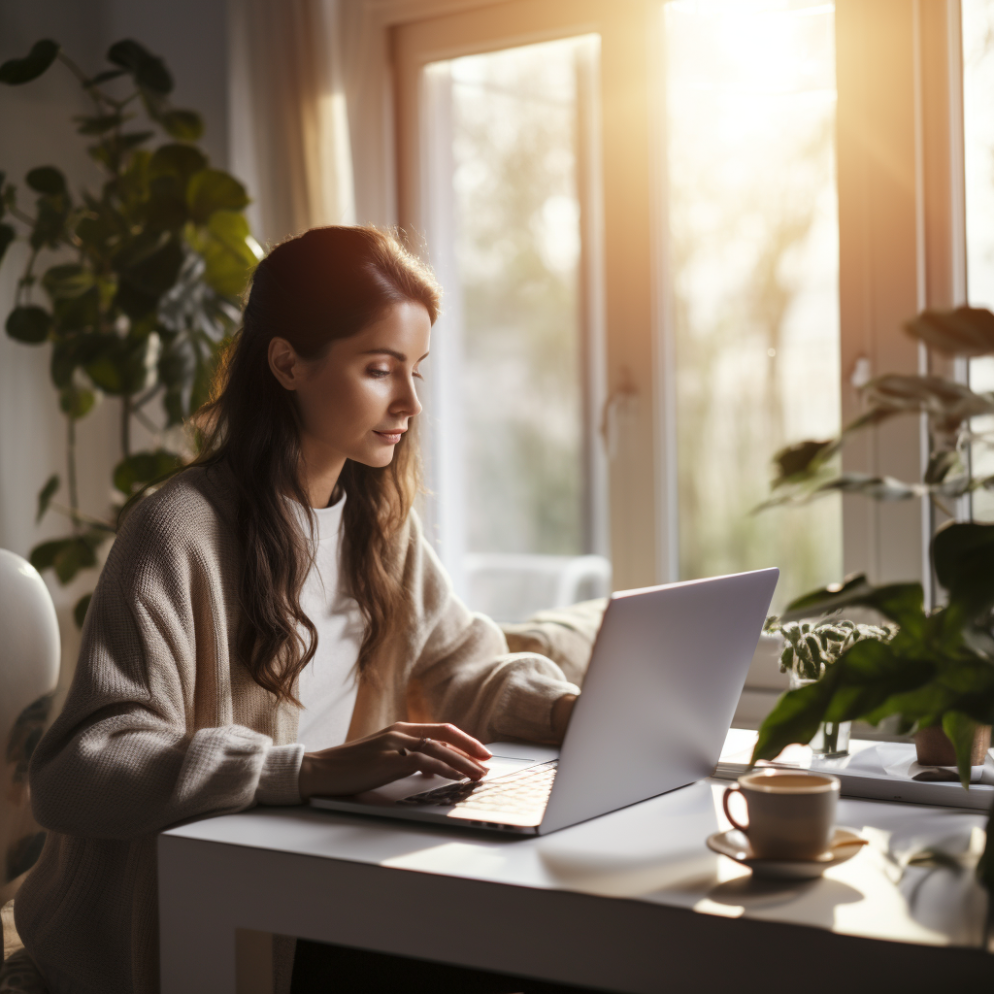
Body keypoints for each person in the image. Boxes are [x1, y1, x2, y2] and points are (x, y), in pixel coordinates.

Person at [14, 227, 581, 994]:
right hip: (177, 925)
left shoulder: (378, 523)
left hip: (315, 877)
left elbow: (461, 664)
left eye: (416, 371)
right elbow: (81, 769)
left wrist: (570, 714)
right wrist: (305, 772)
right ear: (286, 363)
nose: (410, 402)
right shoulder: (180, 530)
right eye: (380, 369)